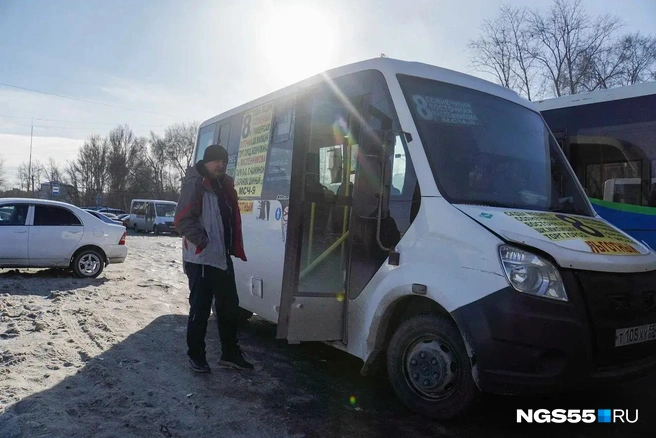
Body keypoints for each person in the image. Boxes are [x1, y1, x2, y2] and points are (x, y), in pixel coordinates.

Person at [174, 144, 253, 373]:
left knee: (230, 308)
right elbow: (182, 220)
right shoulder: (196, 185)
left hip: (222, 256)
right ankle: (196, 355)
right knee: (200, 309)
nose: (221, 165)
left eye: (224, 161)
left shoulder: (225, 185)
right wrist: (204, 242)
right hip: (201, 260)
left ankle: (230, 353)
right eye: (216, 160)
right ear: (206, 162)